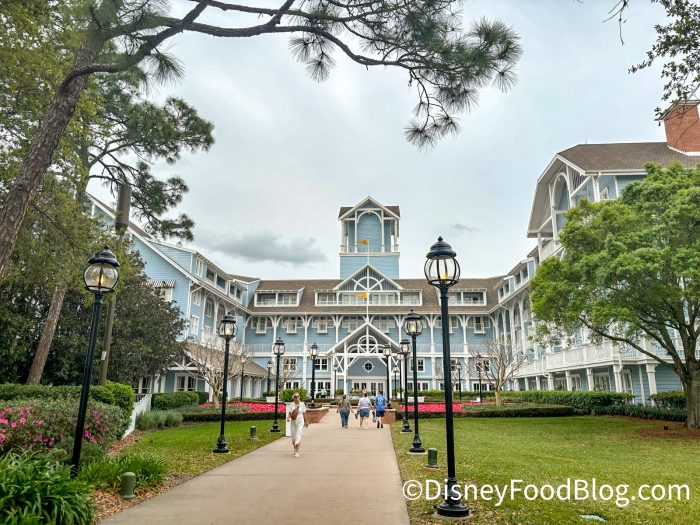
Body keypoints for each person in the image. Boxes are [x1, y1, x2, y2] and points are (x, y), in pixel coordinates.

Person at [286, 392, 308, 457]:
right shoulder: (291, 405)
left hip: (300, 421)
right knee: (293, 438)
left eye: (298, 397)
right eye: (295, 397)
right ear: (294, 398)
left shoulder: (302, 404)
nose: (297, 398)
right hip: (293, 421)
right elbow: (290, 413)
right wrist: (288, 417)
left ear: (299, 397)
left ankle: (297, 452)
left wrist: (306, 421)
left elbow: (304, 413)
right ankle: (295, 448)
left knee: (298, 435)